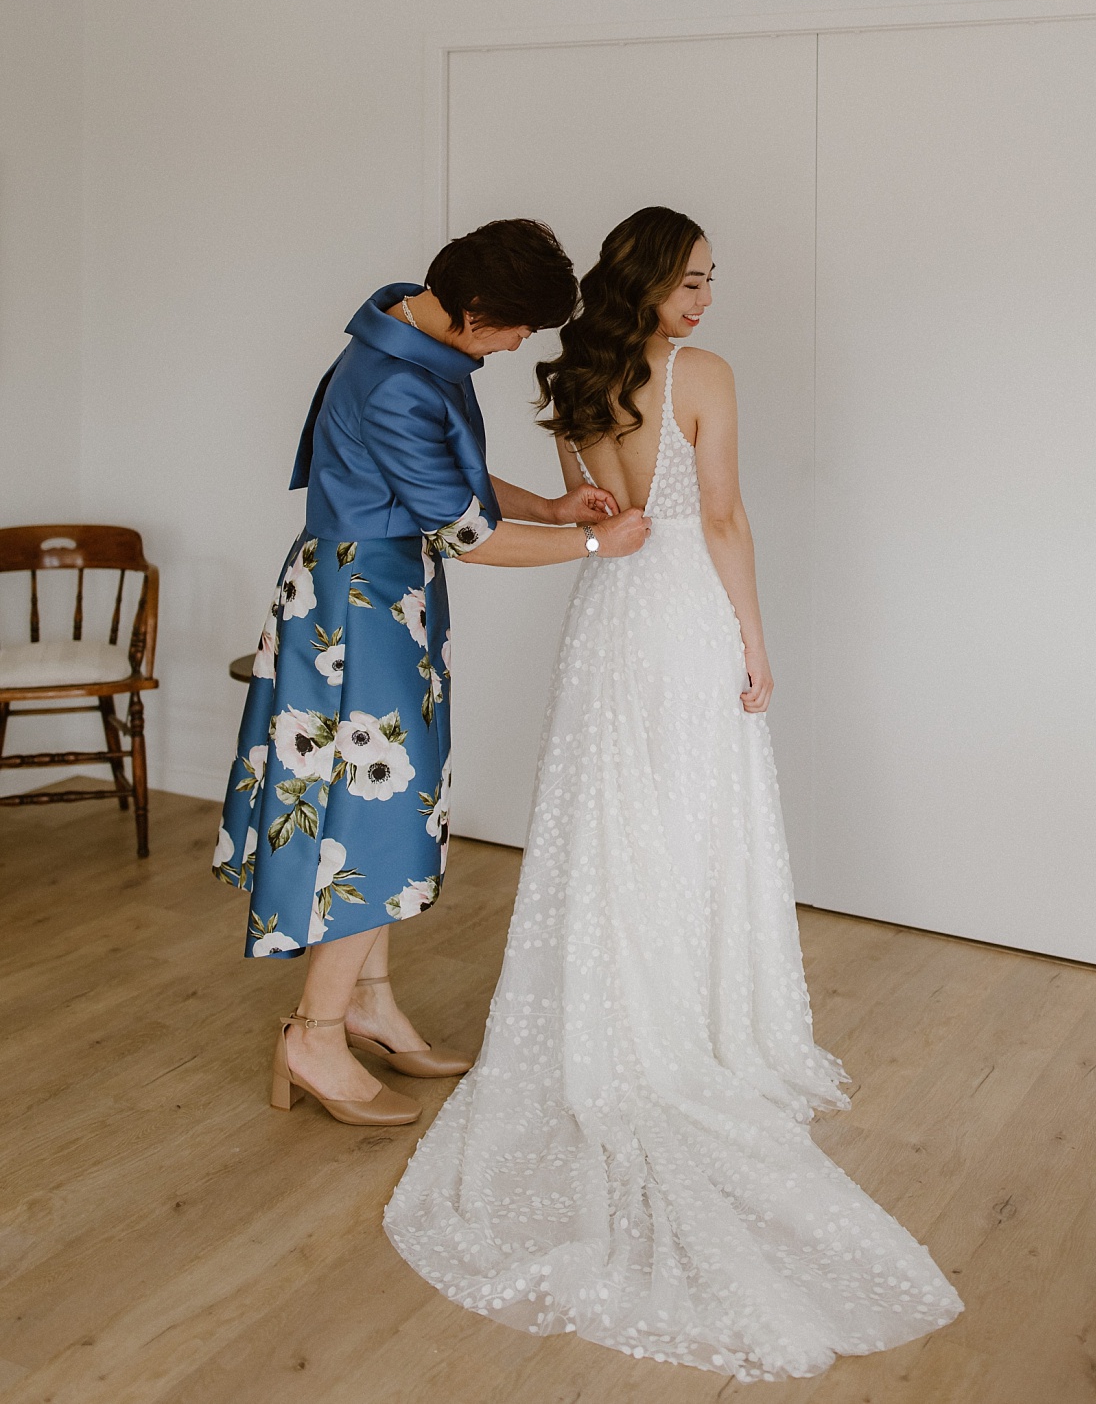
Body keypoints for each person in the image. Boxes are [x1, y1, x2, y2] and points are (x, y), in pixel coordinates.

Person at [384, 206, 963, 1379]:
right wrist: (754, 635)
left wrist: (601, 516)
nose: (705, 300)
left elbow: (599, 508)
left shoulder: (570, 370)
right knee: (693, 816)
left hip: (609, 614)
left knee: (612, 816)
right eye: (693, 279)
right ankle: (688, 1022)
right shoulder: (702, 374)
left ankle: (627, 1004)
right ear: (651, 282)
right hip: (685, 608)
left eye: (710, 282)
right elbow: (726, 517)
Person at [216, 219, 649, 1129]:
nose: (517, 346)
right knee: (364, 814)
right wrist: (596, 539)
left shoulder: (405, 342)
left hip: (383, 600)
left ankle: (366, 1002)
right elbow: (470, 534)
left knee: (388, 804)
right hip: (357, 611)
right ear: (473, 311)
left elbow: (452, 486)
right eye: (515, 329)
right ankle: (314, 1033)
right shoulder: (393, 381)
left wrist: (554, 504)